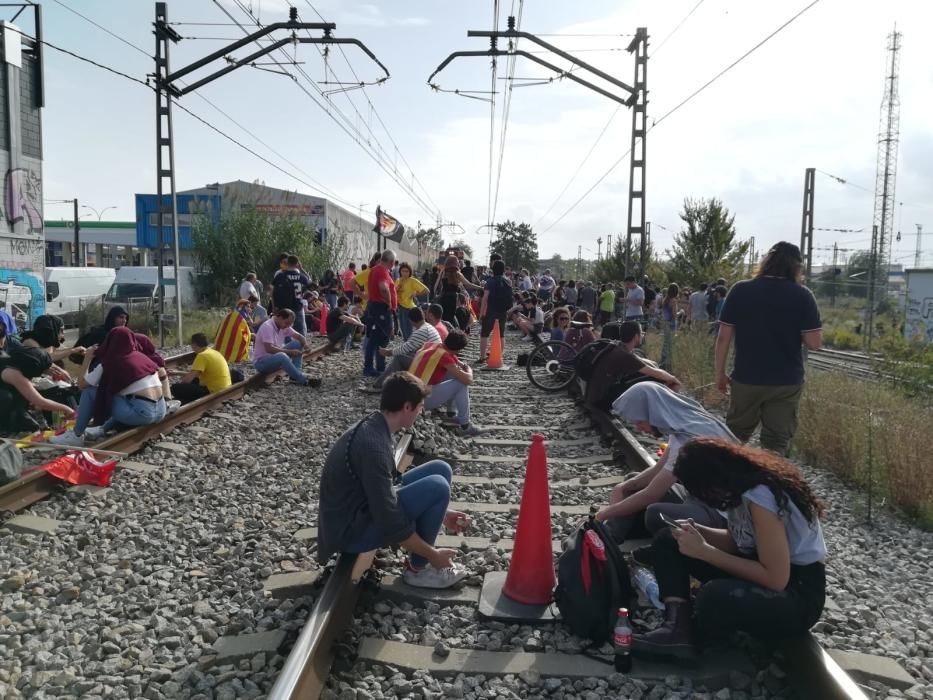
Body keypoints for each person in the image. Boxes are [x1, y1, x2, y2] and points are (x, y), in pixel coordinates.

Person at [634, 438, 826, 657]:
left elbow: (775, 578)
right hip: (763, 573)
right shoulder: (739, 490)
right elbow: (740, 543)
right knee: (668, 539)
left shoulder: (761, 497)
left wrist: (705, 551)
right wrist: (700, 532)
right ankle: (676, 628)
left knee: (712, 597)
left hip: (797, 593)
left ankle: (700, 634)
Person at [317, 372, 470, 588]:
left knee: (440, 468)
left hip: (359, 509)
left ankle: (420, 562)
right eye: (420, 406)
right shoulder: (374, 447)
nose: (422, 411)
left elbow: (388, 489)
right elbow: (389, 518)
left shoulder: (376, 425)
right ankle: (418, 570)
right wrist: (433, 555)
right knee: (437, 487)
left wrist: (442, 514)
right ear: (407, 407)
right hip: (349, 531)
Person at [593, 382, 737, 543]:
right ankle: (609, 536)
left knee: (655, 513)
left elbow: (651, 494)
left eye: (640, 421)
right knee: (633, 481)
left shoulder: (689, 439)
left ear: (653, 412)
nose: (639, 428)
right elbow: (658, 469)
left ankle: (667, 548)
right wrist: (624, 487)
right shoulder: (684, 423)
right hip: (700, 496)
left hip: (723, 514)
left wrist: (603, 514)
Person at [715, 242, 821, 455]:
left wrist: (719, 373)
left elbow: (723, 338)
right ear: (797, 267)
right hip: (786, 381)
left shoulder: (740, 290)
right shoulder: (803, 295)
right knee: (776, 443)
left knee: (734, 436)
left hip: (746, 377)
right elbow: (814, 343)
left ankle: (726, 482)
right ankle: (770, 484)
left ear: (766, 261)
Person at [81, 327, 167, 441]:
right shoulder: (142, 357)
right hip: (162, 411)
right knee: (121, 393)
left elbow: (82, 384)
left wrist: (87, 358)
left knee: (94, 392)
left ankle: (77, 434)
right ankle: (101, 428)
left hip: (143, 415)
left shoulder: (109, 362)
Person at [583, 321, 682, 411]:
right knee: (658, 379)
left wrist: (657, 367)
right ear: (636, 336)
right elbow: (656, 374)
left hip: (596, 396)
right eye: (642, 333)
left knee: (653, 376)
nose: (643, 335)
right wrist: (673, 379)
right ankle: (671, 410)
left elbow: (648, 363)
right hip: (602, 401)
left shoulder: (618, 346)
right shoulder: (624, 355)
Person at [0, 326, 74, 434]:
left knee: (32, 426)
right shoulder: (12, 373)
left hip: (11, 400)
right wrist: (68, 410)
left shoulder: (16, 360)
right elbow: (40, 401)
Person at [409, 330, 483, 437]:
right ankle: (465, 426)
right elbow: (468, 380)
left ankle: (451, 414)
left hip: (411, 393)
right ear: (457, 350)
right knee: (460, 383)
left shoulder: (433, 345)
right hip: (419, 400)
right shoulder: (444, 356)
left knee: (453, 372)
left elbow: (456, 362)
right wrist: (469, 370)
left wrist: (462, 366)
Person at [366, 306, 442, 391]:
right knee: (403, 355)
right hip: (433, 359)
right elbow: (409, 346)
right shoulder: (427, 327)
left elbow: (405, 348)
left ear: (410, 320)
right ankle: (391, 383)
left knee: (399, 358)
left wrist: (389, 352)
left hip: (429, 364)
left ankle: (379, 385)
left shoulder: (421, 331)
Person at [253, 309, 319, 387]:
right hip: (262, 362)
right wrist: (289, 352)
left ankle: (295, 376)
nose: (287, 326)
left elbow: (300, 337)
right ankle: (303, 380)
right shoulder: (268, 327)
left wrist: (305, 345)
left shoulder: (283, 326)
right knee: (282, 356)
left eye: (289, 324)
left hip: (275, 357)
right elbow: (269, 349)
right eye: (287, 323)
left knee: (297, 344)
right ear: (280, 317)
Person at [362, 249, 399, 378]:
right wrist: (389, 303)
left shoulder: (375, 270)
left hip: (375, 307)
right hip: (381, 309)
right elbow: (383, 288)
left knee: (375, 339)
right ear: (391, 262)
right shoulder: (382, 271)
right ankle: (376, 368)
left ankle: (375, 367)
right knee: (380, 339)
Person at [171, 333, 232, 404]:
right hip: (225, 387)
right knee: (194, 381)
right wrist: (177, 373)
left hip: (213, 390)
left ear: (194, 344)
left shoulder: (202, 356)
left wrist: (181, 386)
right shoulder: (213, 352)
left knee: (175, 388)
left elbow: (188, 379)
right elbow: (196, 375)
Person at [476, 259, 513, 365]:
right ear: (503, 270)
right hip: (503, 311)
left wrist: (482, 313)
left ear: (493, 269)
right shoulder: (508, 281)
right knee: (501, 334)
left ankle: (482, 357)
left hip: (491, 311)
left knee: (484, 334)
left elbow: (485, 298)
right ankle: (500, 355)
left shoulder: (490, 281)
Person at [434, 256, 482, 326]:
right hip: (453, 298)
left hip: (443, 297)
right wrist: (481, 288)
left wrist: (437, 294)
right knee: (451, 316)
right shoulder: (457, 273)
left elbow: (436, 286)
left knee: (443, 316)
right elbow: (469, 284)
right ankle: (452, 331)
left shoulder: (443, 272)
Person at [272, 255, 312, 336]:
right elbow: (310, 283)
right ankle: (300, 347)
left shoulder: (280, 275)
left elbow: (273, 292)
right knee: (301, 331)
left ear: (287, 263)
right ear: (297, 263)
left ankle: (285, 347)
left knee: (284, 331)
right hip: (298, 306)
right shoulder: (301, 276)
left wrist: (274, 307)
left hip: (284, 307)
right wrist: (301, 269)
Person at [395, 262, 429, 340]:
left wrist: (415, 294)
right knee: (403, 330)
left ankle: (410, 348)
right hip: (400, 307)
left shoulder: (412, 281)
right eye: (403, 271)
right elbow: (393, 292)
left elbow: (426, 290)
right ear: (400, 271)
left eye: (407, 271)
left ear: (410, 272)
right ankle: (407, 347)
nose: (404, 273)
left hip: (408, 308)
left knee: (408, 331)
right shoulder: (398, 280)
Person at [659, 283, 679, 371]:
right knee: (670, 344)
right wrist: (681, 312)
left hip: (665, 323)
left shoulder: (665, 300)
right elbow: (674, 315)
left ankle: (662, 361)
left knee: (665, 343)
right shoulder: (673, 301)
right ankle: (667, 364)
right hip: (671, 324)